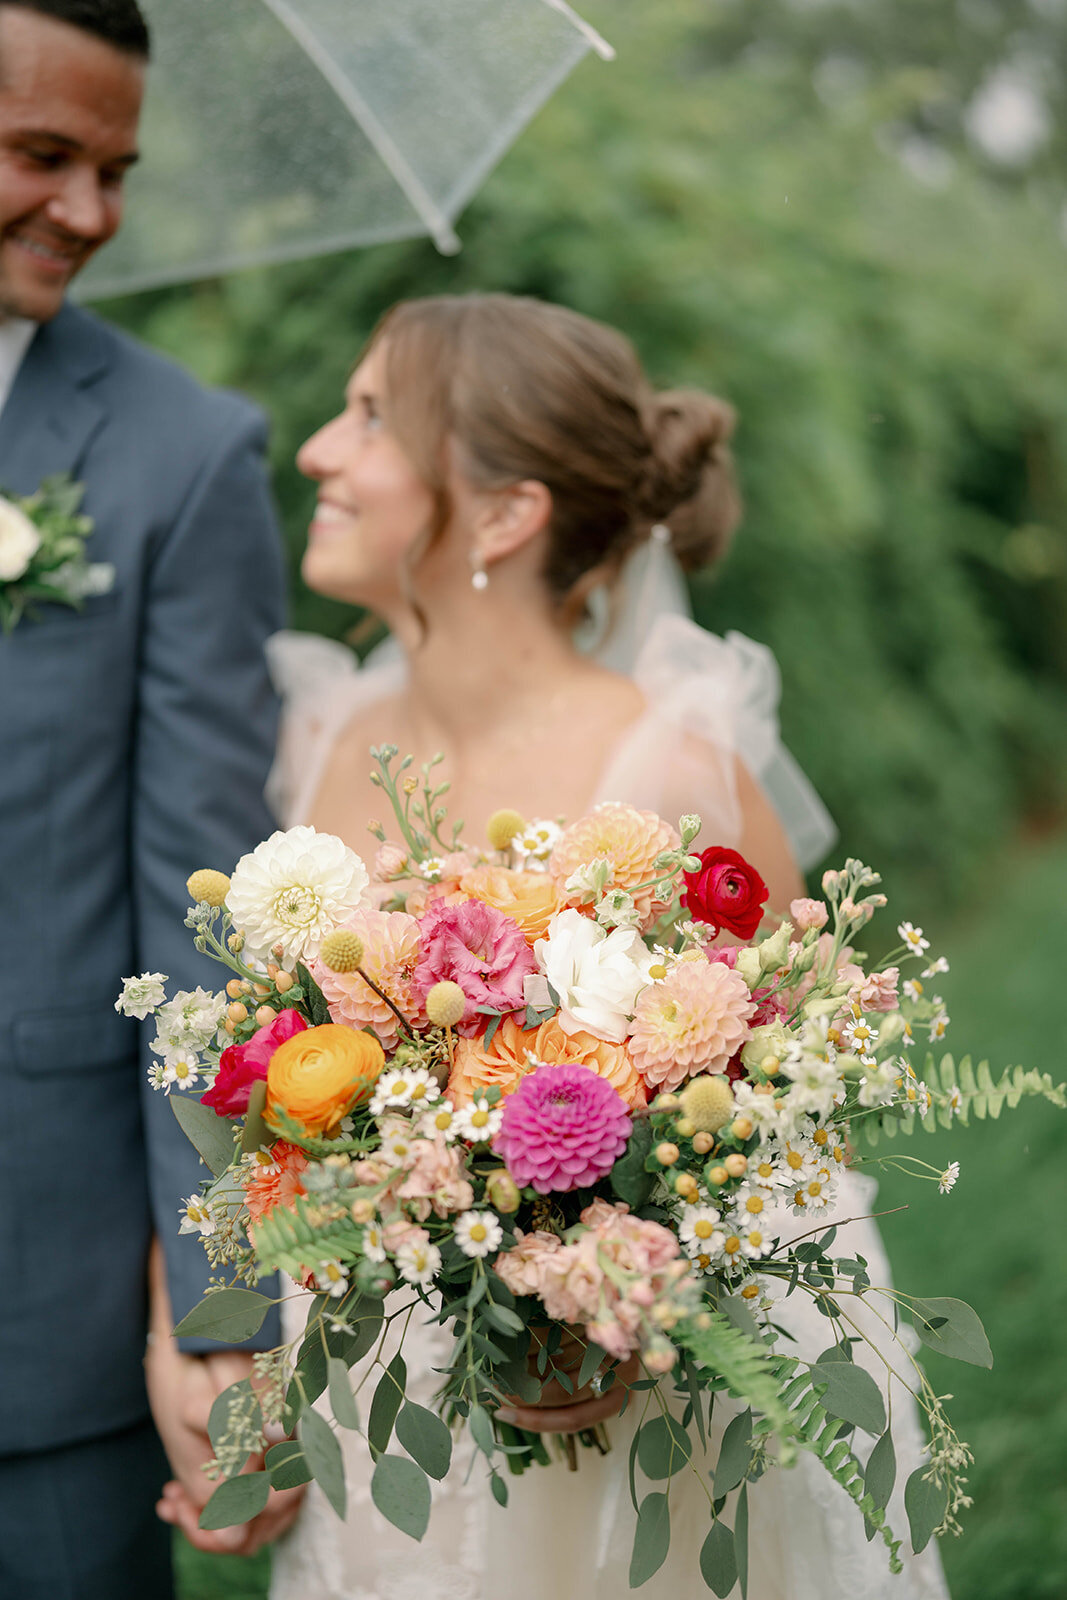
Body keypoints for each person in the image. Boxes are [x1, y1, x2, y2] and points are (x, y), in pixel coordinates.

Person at [263, 292, 948, 1600]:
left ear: (508, 514)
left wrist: (622, 1293)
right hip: (397, 1398)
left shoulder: (673, 766)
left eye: (367, 420)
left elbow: (805, 1149)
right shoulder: (328, 738)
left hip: (647, 1431)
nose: (316, 452)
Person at [0, 2, 301, 1592]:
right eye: (42, 156)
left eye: (112, 168)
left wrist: (223, 1310)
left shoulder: (181, 459)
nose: (93, 214)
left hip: (33, 1331)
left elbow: (207, 927)